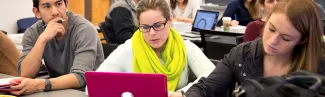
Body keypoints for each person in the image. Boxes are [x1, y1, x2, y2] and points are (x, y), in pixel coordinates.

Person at [184, 0, 325, 96]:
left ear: (303, 40)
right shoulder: (242, 54)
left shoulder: (319, 68)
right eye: (271, 29)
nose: (272, 41)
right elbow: (206, 89)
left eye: (286, 38)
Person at [86, 0, 215, 95]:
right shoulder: (130, 48)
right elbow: (93, 86)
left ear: (170, 21)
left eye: (158, 25)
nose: (152, 33)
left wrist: (181, 93)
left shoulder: (185, 47)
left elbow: (213, 76)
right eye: (145, 27)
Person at [10, 0, 104, 95]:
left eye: (59, 4)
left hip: (89, 92)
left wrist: (40, 84)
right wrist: (42, 39)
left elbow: (80, 77)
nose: (55, 12)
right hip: (57, 90)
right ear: (37, 12)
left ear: (66, 5)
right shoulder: (33, 32)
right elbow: (25, 74)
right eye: (47, 6)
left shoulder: (84, 29)